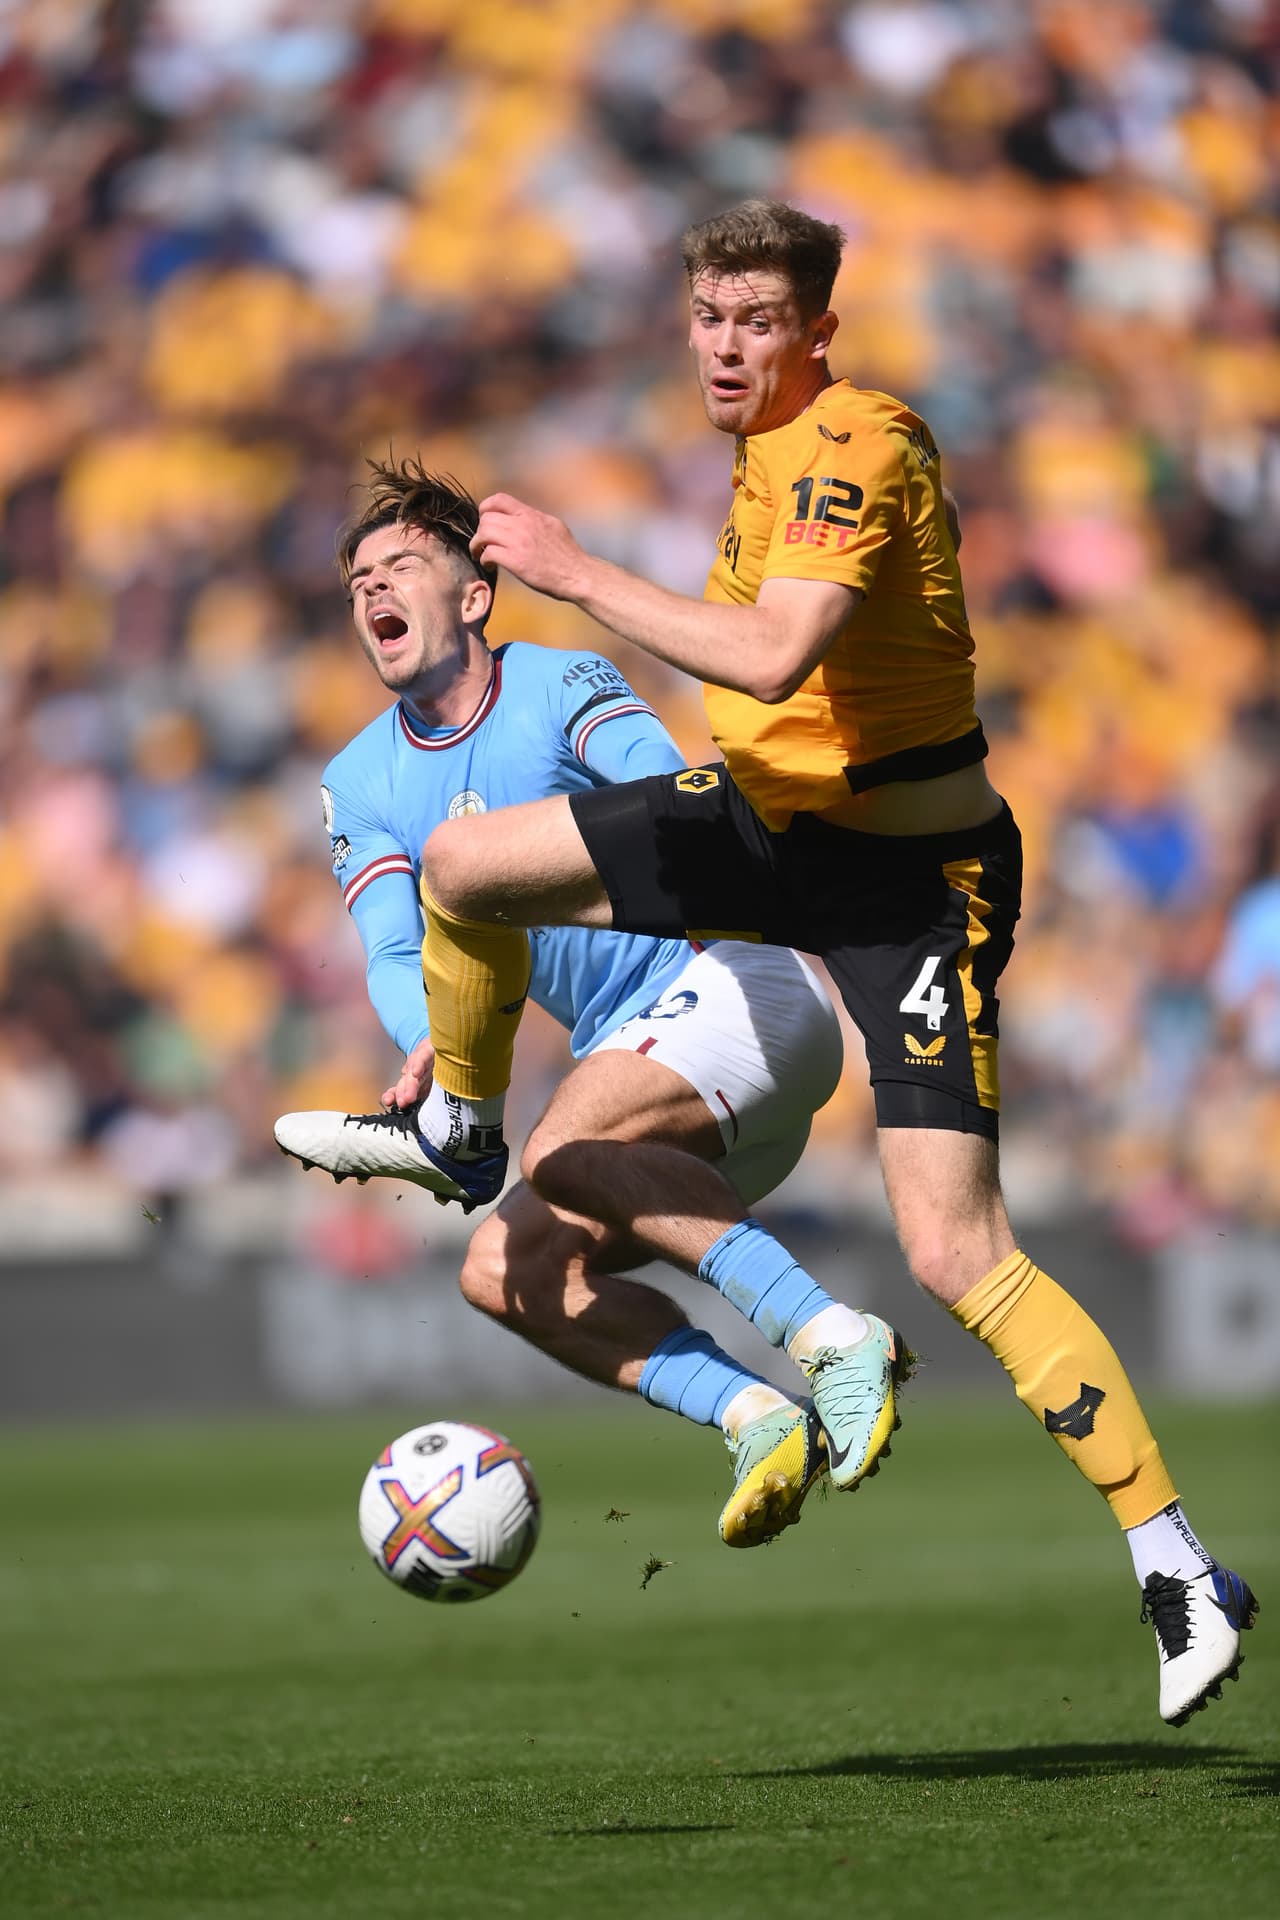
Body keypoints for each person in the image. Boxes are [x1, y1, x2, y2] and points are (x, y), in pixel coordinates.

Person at [396, 203, 1255, 1727]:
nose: (726, 346)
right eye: (708, 317)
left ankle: (1177, 1562)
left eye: (759, 320)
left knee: (956, 1250)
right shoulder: (762, 450)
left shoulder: (863, 442)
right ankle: (463, 1117)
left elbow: (772, 653)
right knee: (462, 866)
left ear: (816, 332)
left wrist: (579, 572)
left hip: (912, 888)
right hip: (763, 829)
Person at [274, 457, 916, 1552]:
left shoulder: (562, 684)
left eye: (401, 566)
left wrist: (504, 867)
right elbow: (391, 948)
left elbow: (672, 811)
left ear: (474, 596)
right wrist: (429, 1039)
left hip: (734, 988)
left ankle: (832, 1335)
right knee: (501, 1271)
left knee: (559, 1145)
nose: (372, 587)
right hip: (657, 1095)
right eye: (357, 581)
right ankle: (760, 1419)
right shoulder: (358, 781)